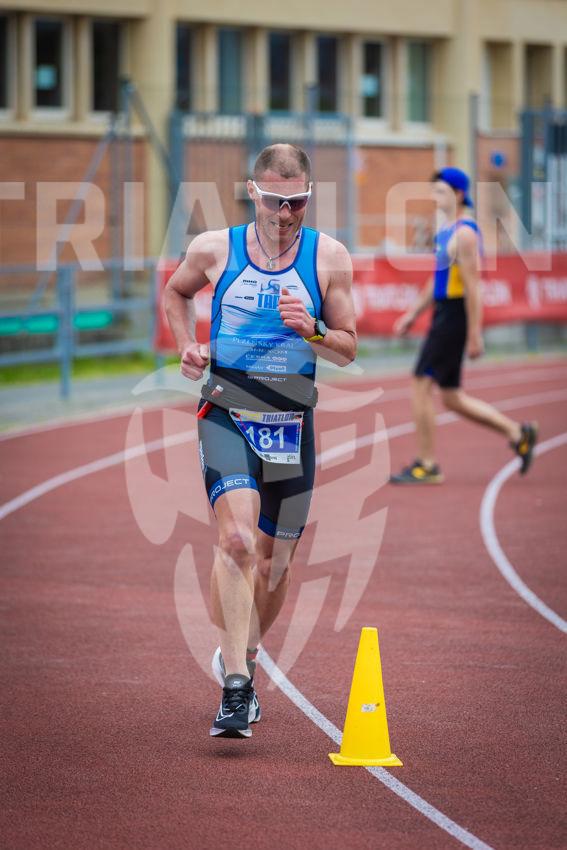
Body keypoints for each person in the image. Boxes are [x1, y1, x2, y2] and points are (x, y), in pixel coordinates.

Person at [164, 143, 357, 738]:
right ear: (253, 192)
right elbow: (176, 292)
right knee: (237, 541)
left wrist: (314, 330)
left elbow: (348, 347)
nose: (285, 213)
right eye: (274, 201)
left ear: (309, 197)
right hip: (226, 411)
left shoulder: (329, 257)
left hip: (291, 425)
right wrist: (186, 345)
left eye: (296, 202)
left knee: (274, 565)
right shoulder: (214, 249)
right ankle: (235, 688)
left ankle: (242, 655)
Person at [390, 167, 537, 484]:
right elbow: (437, 280)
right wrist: (413, 314)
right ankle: (517, 433)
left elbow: (473, 288)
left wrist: (474, 333)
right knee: (451, 397)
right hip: (444, 312)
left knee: (420, 383)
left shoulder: (465, 234)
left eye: (441, 191)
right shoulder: (446, 231)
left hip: (454, 316)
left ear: (458, 194)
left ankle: (427, 464)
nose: (435, 196)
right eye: (433, 191)